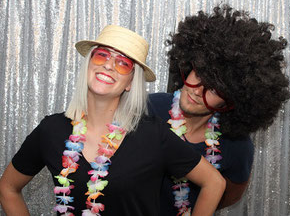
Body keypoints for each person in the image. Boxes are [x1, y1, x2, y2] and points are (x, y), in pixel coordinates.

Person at [0, 25, 226, 216]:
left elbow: (215, 182)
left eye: (123, 63)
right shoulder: (51, 130)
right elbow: (8, 187)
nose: (108, 65)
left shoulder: (153, 134)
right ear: (89, 63)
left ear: (130, 83)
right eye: (102, 55)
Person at [148, 4, 290, 215]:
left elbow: (230, 195)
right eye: (199, 75)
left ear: (231, 101)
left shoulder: (237, 146)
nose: (197, 91)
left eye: (213, 89)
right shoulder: (148, 109)